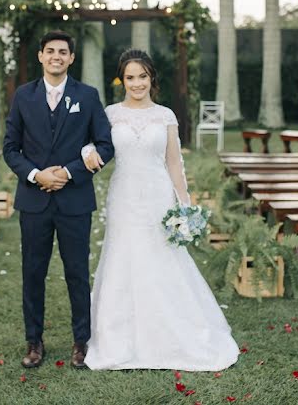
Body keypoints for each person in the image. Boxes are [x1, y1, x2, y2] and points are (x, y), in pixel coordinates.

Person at [81, 49, 239, 371]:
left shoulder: (166, 115)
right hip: (124, 197)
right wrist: (87, 151)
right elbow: (89, 143)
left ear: (151, 78)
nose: (136, 83)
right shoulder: (109, 113)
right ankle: (116, 339)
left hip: (158, 198)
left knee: (164, 261)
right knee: (122, 260)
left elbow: (173, 163)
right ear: (121, 80)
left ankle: (173, 335)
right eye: (130, 77)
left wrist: (184, 203)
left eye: (142, 76)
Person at [2, 30, 114, 370]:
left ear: (71, 58)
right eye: (50, 51)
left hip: (75, 202)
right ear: (40, 56)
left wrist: (67, 172)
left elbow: (105, 146)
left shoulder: (89, 96)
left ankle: (82, 342)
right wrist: (37, 175)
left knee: (77, 273)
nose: (56, 56)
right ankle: (34, 342)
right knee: (33, 274)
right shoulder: (23, 96)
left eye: (63, 52)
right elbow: (10, 148)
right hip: (33, 202)